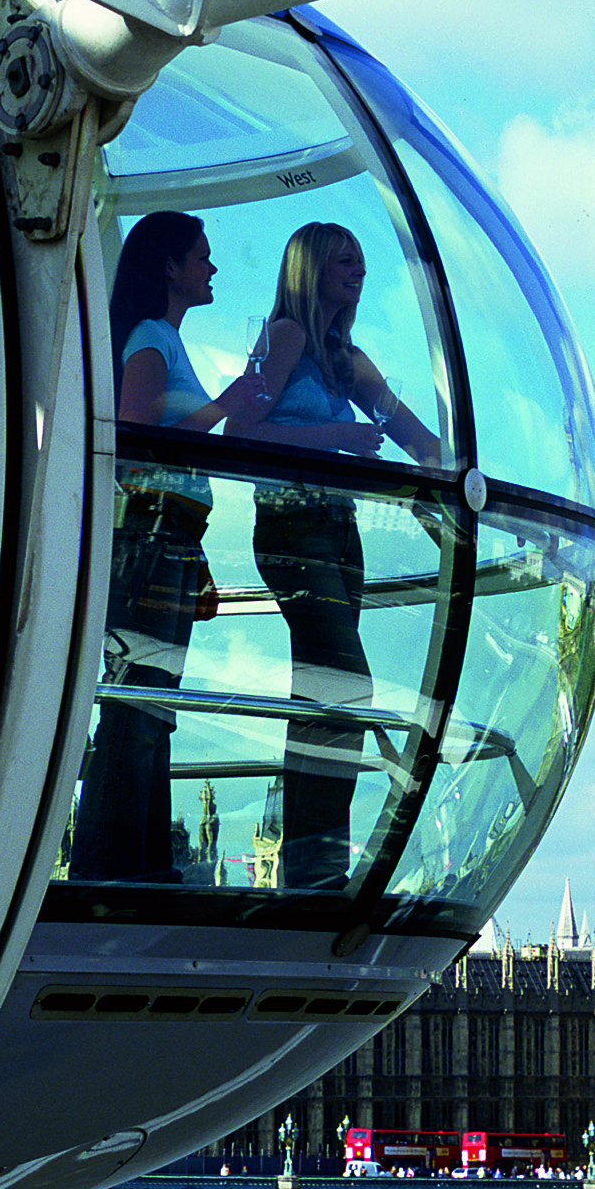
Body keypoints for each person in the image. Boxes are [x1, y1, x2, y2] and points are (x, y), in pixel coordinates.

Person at [236, 221, 441, 892]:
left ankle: (309, 861)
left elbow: (416, 437)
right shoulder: (287, 337)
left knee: (321, 695)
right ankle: (318, 865)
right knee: (346, 688)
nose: (357, 269)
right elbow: (242, 430)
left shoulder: (341, 356)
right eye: (342, 259)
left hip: (339, 531)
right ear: (309, 268)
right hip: (291, 528)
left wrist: (458, 479)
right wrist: (339, 437)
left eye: (360, 259)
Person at [72, 210, 262, 879]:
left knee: (150, 708)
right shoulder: (153, 338)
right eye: (202, 256)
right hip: (155, 542)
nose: (212, 267)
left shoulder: (161, 337)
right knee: (140, 710)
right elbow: (137, 432)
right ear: (169, 267)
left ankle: (137, 863)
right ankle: (119, 867)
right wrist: (229, 399)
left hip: (168, 540)